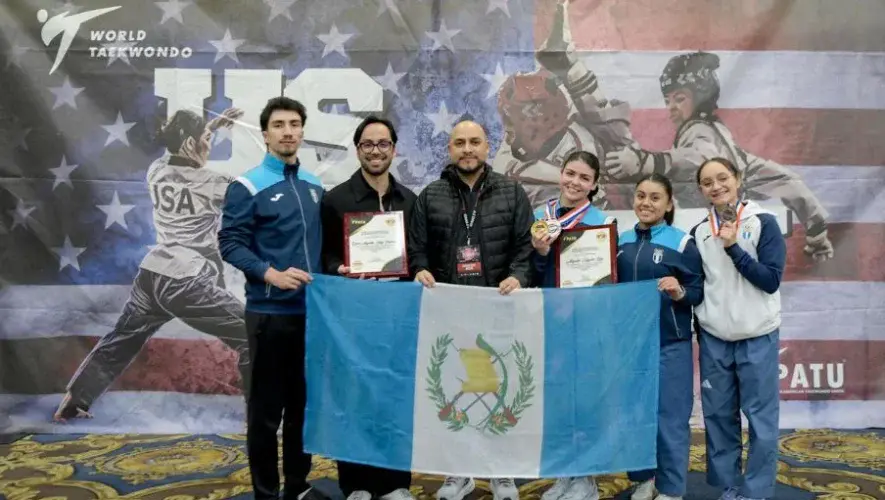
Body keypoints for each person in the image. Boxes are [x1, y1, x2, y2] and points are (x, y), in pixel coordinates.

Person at [53, 107, 248, 422]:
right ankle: (261, 411)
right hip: (185, 281)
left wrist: (210, 127)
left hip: (152, 276)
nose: (209, 145)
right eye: (206, 140)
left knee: (122, 338)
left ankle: (74, 401)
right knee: (253, 333)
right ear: (189, 144)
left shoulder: (156, 170)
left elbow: (183, 153)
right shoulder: (214, 183)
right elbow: (255, 199)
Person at [602, 51, 833, 261]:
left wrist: (644, 161)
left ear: (700, 96)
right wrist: (816, 229)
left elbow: (697, 157)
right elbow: (787, 181)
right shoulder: (726, 145)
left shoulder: (701, 132)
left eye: (679, 98)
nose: (670, 107)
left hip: (716, 244)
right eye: (667, 101)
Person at [407, 120, 533, 500]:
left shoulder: (512, 192)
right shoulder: (430, 195)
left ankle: (502, 473)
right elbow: (417, 249)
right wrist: (420, 270)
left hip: (499, 308)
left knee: (502, 389)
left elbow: (525, 248)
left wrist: (518, 276)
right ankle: (456, 472)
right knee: (453, 390)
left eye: (474, 142)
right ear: (449, 149)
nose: (467, 149)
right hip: (449, 311)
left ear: (487, 147)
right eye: (459, 143)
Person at [218, 96, 327, 500]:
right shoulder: (247, 185)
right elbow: (229, 243)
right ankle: (266, 492)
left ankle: (297, 486)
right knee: (266, 415)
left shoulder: (315, 185)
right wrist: (271, 274)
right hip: (268, 315)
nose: (287, 131)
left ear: (302, 131)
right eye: (279, 125)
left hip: (311, 316)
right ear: (265, 135)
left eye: (294, 124)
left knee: (302, 409)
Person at [320, 115, 418, 500]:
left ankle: (396, 483)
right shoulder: (336, 200)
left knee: (395, 398)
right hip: (353, 317)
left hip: (398, 317)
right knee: (356, 398)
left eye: (383, 144)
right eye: (368, 144)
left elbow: (417, 255)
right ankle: (356, 483)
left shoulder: (410, 201)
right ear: (358, 149)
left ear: (393, 149)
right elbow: (324, 255)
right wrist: (338, 268)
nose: (375, 151)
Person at [690, 157, 786, 500]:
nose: (716, 186)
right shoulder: (699, 231)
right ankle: (730, 485)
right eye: (707, 182)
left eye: (722, 178)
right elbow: (700, 286)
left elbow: (770, 280)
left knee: (760, 419)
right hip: (716, 338)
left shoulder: (763, 222)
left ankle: (757, 490)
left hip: (757, 335)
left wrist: (734, 249)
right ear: (701, 190)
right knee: (717, 416)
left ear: (738, 179)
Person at [528, 151, 614, 500]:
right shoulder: (537, 217)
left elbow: (607, 280)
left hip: (585, 322)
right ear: (560, 174)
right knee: (556, 399)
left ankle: (587, 478)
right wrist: (540, 253)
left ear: (594, 185)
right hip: (547, 320)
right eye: (570, 173)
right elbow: (527, 272)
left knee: (586, 399)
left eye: (584, 178)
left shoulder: (601, 221)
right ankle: (564, 473)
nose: (574, 182)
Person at [616, 174, 704, 500]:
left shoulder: (682, 243)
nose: (646, 203)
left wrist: (680, 291)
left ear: (668, 204)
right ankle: (643, 479)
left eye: (655, 198)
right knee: (634, 417)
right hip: (630, 347)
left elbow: (697, 292)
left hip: (671, 343)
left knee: (670, 419)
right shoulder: (618, 241)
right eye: (641, 196)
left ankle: (670, 488)